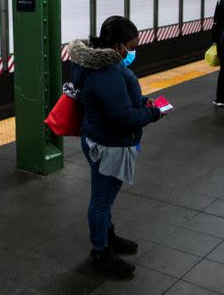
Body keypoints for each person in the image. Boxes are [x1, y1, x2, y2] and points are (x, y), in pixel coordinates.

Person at [67, 16, 163, 278]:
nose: (133, 52)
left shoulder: (94, 64)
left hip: (99, 138)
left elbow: (117, 101)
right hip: (108, 144)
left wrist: (142, 101)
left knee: (105, 199)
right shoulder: (106, 73)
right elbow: (122, 118)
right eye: (131, 46)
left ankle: (108, 238)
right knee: (100, 201)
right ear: (119, 46)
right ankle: (100, 252)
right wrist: (153, 114)